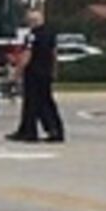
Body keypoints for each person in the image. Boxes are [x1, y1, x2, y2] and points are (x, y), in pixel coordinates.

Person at [8, 10, 65, 144]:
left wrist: (17, 73)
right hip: (46, 73)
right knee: (46, 102)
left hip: (34, 73)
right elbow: (54, 54)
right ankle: (50, 129)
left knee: (32, 103)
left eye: (29, 21)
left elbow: (27, 55)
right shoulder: (50, 34)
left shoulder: (32, 36)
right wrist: (54, 70)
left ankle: (32, 131)